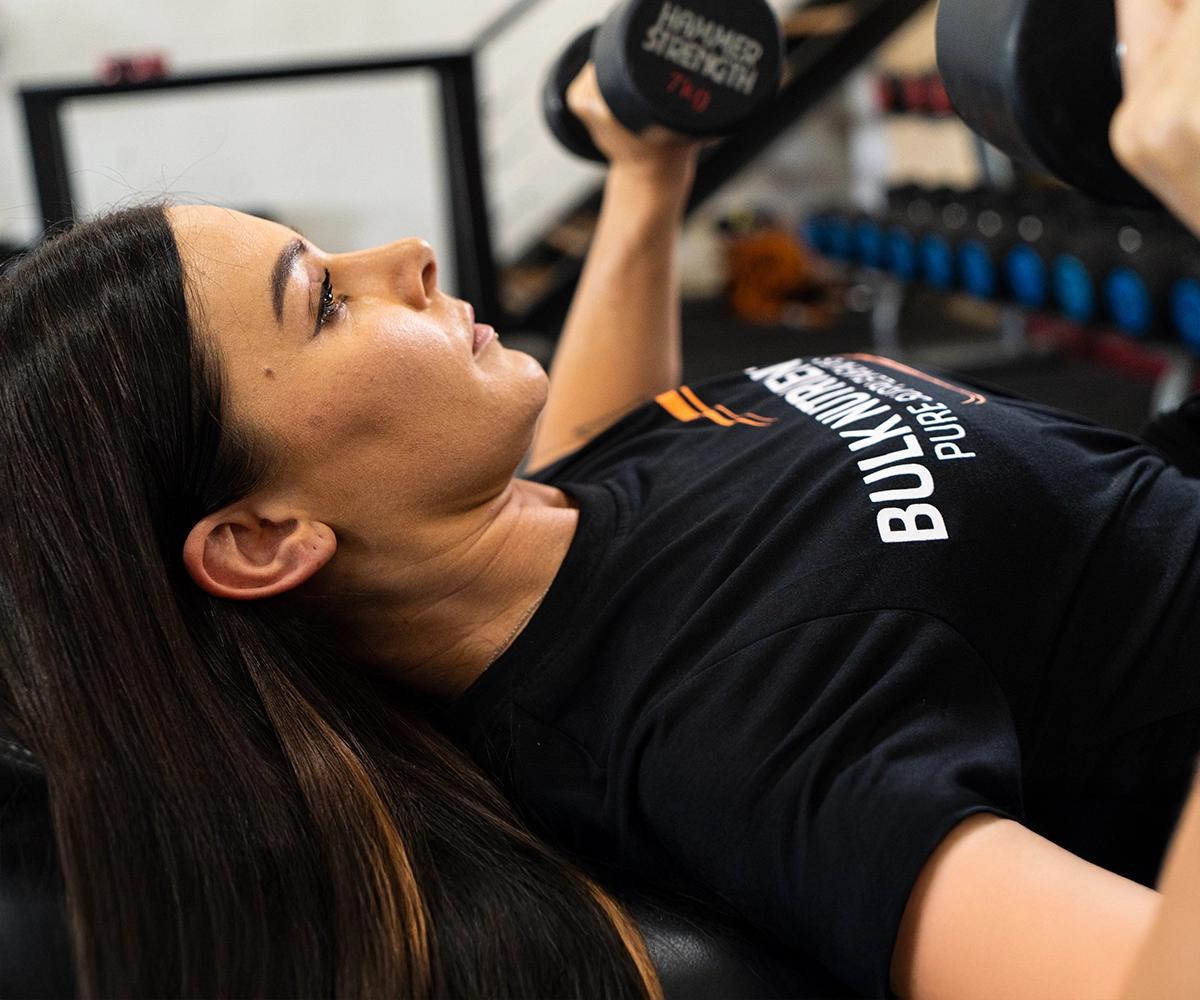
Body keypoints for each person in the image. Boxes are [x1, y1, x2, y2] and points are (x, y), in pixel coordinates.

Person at [3, 1, 1200, 998]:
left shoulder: (555, 506)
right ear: (265, 540)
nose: (409, 256)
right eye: (323, 302)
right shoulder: (728, 731)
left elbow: (592, 434)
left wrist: (649, 167)